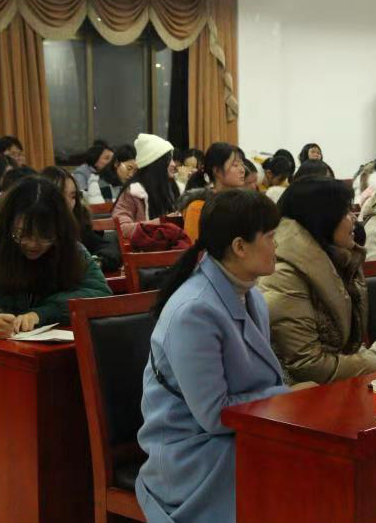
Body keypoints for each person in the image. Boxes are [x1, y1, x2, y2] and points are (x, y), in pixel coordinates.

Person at [137, 190, 292, 523]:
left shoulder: (252, 296)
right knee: (299, 471)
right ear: (239, 247)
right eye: (270, 237)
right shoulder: (194, 311)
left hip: (241, 434)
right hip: (192, 452)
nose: (276, 245)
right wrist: (286, 398)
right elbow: (213, 414)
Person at [0, 178, 111, 428]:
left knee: (82, 425)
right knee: (28, 431)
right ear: (7, 226)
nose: (34, 244)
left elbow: (100, 296)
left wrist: (43, 313)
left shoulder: (70, 251)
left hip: (50, 384)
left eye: (46, 236)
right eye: (23, 235)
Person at [259, 177, 376, 384]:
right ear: (322, 219)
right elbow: (307, 364)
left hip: (338, 377)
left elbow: (350, 345)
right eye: (345, 212)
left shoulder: (340, 257)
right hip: (301, 392)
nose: (353, 219)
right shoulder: (283, 274)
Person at [41, 166, 122, 272]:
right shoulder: (35, 230)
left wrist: (96, 262)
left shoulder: (76, 224)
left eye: (73, 196)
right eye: (61, 195)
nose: (69, 202)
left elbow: (109, 249)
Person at [111, 133, 179, 239]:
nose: (174, 164)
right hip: (143, 247)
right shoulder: (133, 192)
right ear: (156, 164)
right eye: (169, 160)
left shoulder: (171, 187)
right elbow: (122, 228)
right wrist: (161, 222)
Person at [181, 142, 245, 242]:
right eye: (235, 165)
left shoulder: (246, 203)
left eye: (242, 164)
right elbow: (194, 246)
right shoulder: (198, 207)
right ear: (217, 171)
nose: (242, 170)